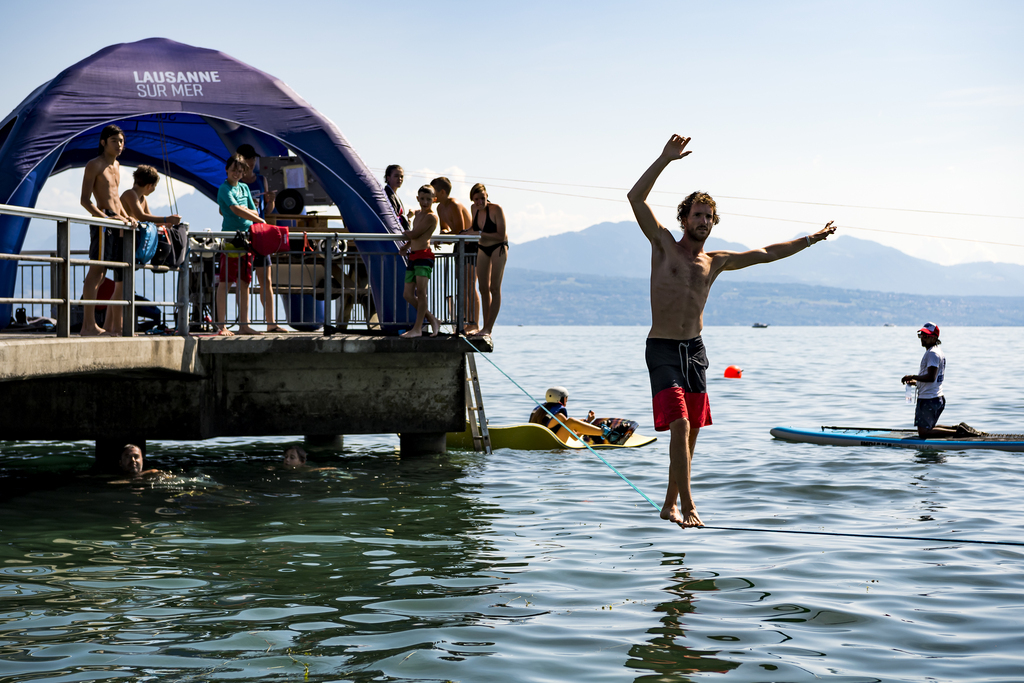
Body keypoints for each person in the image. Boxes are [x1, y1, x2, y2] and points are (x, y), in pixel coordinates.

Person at [628, 134, 836, 529]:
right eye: (697, 215)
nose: (703, 221)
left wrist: (812, 239)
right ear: (684, 218)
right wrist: (664, 160)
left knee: (690, 436)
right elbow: (635, 199)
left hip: (695, 351)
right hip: (662, 348)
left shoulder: (716, 261)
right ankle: (688, 506)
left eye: (709, 216)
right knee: (680, 424)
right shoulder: (663, 246)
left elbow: (767, 253)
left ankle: (669, 503)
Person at [79, 125, 137, 337]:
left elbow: (115, 198)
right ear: (103, 142)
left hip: (115, 223)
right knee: (96, 272)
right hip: (104, 222)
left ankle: (91, 325)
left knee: (103, 274)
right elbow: (85, 200)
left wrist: (126, 216)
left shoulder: (118, 166)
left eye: (121, 141)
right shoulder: (94, 165)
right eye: (114, 141)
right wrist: (103, 217)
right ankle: (88, 326)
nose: (119, 145)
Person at [901, 323, 982, 439]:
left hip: (929, 399)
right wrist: (915, 382)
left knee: (924, 433)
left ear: (934, 338)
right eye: (922, 335)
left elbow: (931, 377)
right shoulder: (935, 351)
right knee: (930, 427)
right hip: (934, 397)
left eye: (926, 336)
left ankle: (959, 433)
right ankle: (958, 428)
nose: (923, 338)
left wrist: (912, 376)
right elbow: (931, 379)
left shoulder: (933, 353)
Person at [236, 145, 282, 332]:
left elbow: (267, 211)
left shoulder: (261, 180)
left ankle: (271, 323)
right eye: (248, 159)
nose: (252, 162)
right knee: (244, 281)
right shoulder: (235, 183)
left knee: (267, 281)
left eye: (253, 159)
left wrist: (270, 200)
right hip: (244, 235)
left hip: (260, 235)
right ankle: (244, 324)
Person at [214, 154, 261, 336]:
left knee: (244, 283)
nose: (237, 173)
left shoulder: (244, 188)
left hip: (248, 240)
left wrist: (249, 213)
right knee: (226, 282)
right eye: (234, 170)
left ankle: (244, 324)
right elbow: (235, 209)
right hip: (232, 240)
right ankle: (221, 326)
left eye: (240, 171)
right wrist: (256, 218)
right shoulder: (224, 189)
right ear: (227, 169)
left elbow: (251, 208)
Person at [431, 177, 479, 334]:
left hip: (470, 245)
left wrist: (445, 236)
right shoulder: (439, 209)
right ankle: (464, 322)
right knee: (461, 285)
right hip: (459, 246)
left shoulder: (454, 205)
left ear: (442, 192)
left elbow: (460, 231)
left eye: (433, 192)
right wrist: (442, 235)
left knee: (470, 285)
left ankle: (474, 323)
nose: (432, 196)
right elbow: (445, 229)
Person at [399, 186, 441, 338]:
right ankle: (433, 319)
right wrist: (406, 246)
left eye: (428, 199)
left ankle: (417, 329)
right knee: (407, 294)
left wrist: (402, 231)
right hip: (413, 256)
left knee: (422, 293)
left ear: (434, 200)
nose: (425, 202)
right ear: (417, 198)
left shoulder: (432, 217)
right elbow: (414, 237)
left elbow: (415, 233)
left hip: (424, 257)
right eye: (422, 199)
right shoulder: (418, 215)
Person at [469, 183, 508, 337]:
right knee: (483, 288)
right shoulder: (474, 209)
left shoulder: (496, 209)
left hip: (498, 248)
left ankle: (489, 328)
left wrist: (479, 233)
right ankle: (483, 327)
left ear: (487, 196)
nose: (479, 202)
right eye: (476, 200)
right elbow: (473, 230)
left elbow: (500, 235)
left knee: (494, 288)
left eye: (482, 198)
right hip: (482, 248)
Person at [529, 386, 606, 444]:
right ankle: (606, 433)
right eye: (566, 398)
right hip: (551, 445)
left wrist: (582, 421)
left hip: (536, 441)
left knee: (573, 422)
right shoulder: (559, 416)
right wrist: (588, 421)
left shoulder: (539, 411)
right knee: (571, 421)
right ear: (561, 399)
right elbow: (574, 437)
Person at [384, 165, 411, 230]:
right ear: (388, 178)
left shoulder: (393, 194)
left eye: (401, 176)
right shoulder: (387, 194)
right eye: (396, 176)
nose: (399, 179)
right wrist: (407, 217)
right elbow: (393, 217)